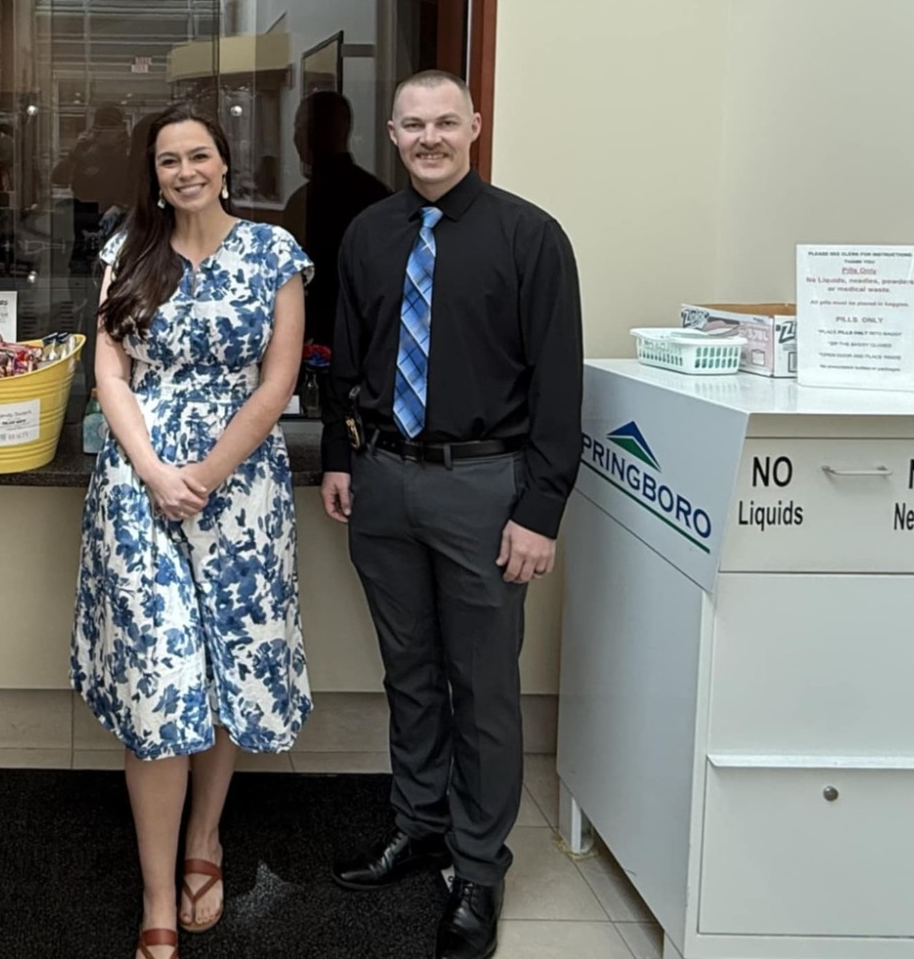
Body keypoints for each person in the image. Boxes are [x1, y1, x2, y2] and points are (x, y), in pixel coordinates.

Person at [322, 71, 583, 959]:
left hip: (484, 487)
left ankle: (477, 866)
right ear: (393, 135)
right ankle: (420, 825)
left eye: (445, 122)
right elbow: (347, 357)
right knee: (409, 670)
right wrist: (340, 458)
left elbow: (559, 386)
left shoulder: (529, 236)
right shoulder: (369, 233)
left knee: (484, 685)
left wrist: (540, 511)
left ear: (475, 126)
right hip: (383, 480)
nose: (429, 137)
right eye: (413, 125)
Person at [70, 101, 314, 959]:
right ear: (154, 173)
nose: (185, 172)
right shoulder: (126, 252)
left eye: (199, 155)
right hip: (139, 490)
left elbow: (278, 381)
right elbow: (109, 371)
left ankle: (204, 838)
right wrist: (154, 471)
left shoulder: (274, 252)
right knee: (161, 679)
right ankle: (156, 896)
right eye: (169, 160)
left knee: (222, 672)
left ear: (224, 162)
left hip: (240, 491)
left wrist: (206, 475)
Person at [284, 90, 392, 352]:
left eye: (299, 127)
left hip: (318, 336)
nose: (295, 137)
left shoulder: (304, 201)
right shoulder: (379, 194)